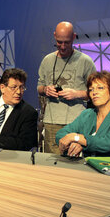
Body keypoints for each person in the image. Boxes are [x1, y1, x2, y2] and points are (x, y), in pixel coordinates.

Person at [37, 21, 96, 153]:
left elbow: (95, 92)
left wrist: (77, 94)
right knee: (51, 163)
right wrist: (46, 90)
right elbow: (39, 87)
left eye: (67, 42)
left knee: (74, 162)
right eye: (59, 42)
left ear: (74, 37)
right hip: (51, 121)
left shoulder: (85, 61)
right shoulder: (47, 60)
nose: (62, 46)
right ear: (54, 36)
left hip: (77, 121)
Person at [55, 71, 110, 160]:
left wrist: (77, 138)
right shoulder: (87, 114)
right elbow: (60, 134)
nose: (94, 92)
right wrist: (74, 143)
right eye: (91, 89)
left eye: (100, 88)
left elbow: (107, 144)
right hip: (89, 168)